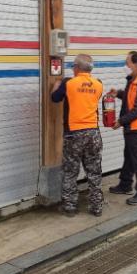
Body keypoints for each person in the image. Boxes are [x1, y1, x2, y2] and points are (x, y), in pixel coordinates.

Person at [51, 54, 104, 217]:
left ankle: (70, 207)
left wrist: (56, 85)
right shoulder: (98, 84)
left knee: (70, 171)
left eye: (73, 66)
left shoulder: (68, 83)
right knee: (94, 171)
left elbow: (55, 98)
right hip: (93, 133)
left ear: (77, 68)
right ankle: (96, 207)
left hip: (74, 134)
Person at [107, 51, 137, 205]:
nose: (125, 65)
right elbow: (130, 98)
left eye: (127, 62)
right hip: (131, 127)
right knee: (129, 156)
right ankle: (125, 184)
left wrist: (121, 121)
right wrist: (118, 93)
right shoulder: (132, 80)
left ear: (135, 64)